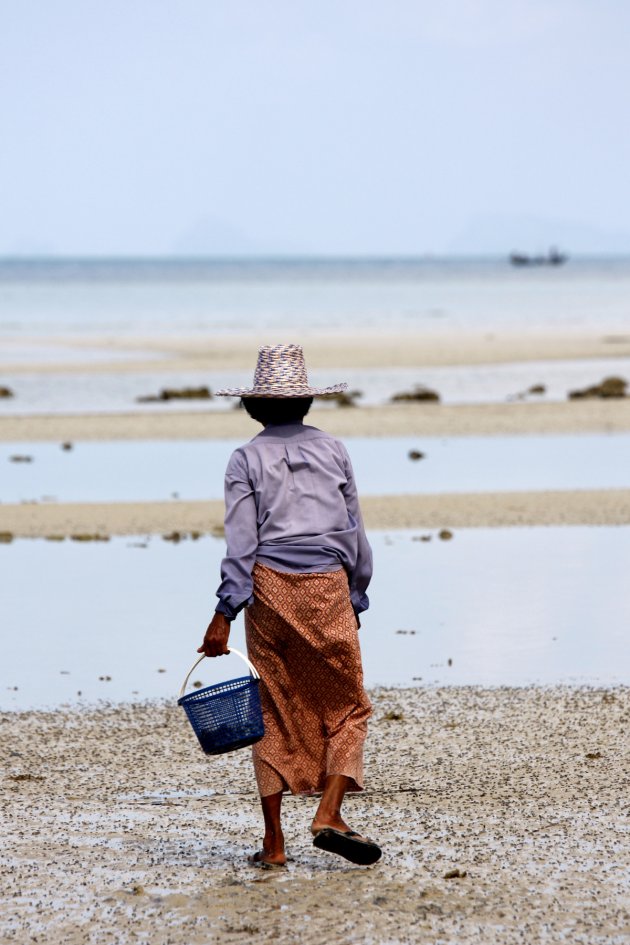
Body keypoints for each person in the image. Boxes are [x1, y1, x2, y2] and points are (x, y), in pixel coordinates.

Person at [198, 344, 381, 868]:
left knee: (273, 707)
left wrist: (224, 612)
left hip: (270, 589)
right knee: (348, 706)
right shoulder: (335, 451)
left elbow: (241, 542)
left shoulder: (245, 459)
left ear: (253, 408)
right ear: (307, 404)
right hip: (327, 584)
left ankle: (275, 844)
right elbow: (355, 531)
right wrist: (356, 591)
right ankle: (328, 813)